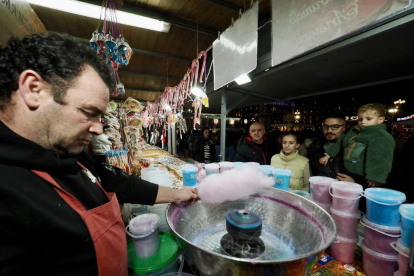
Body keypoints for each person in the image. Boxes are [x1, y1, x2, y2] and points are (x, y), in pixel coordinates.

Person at [0, 32, 198, 275]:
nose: (97, 128)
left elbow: (118, 183)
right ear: (33, 89)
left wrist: (178, 194)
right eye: (88, 112)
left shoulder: (66, 152)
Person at [319, 103, 395, 187]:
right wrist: (328, 155)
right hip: (349, 170)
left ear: (380, 119)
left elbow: (380, 159)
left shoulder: (381, 136)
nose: (363, 122)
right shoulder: (354, 131)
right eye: (360, 119)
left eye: (368, 119)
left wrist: (375, 178)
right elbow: (341, 141)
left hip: (365, 177)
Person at [307, 112, 351, 181]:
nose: (329, 130)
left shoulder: (352, 148)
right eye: (325, 127)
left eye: (335, 127)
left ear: (344, 127)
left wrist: (354, 182)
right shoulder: (313, 148)